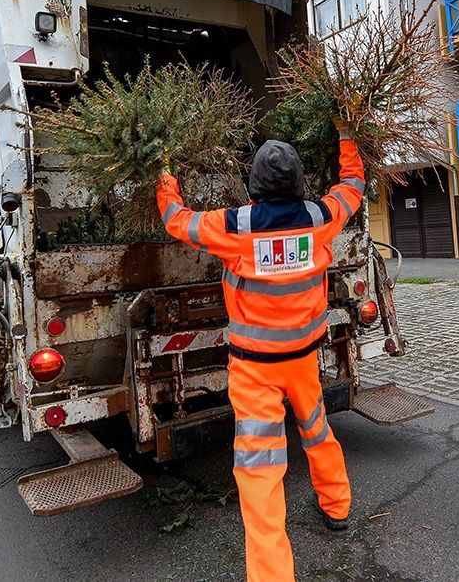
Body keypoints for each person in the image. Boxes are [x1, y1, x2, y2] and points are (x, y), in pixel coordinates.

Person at [156, 121, 365, 582]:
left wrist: (166, 175)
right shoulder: (321, 218)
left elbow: (177, 220)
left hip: (254, 374)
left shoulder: (234, 226)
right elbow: (352, 186)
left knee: (261, 470)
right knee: (316, 430)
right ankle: (337, 504)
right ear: (298, 183)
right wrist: (347, 137)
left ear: (252, 186)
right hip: (304, 361)